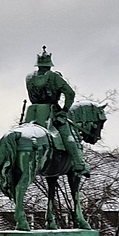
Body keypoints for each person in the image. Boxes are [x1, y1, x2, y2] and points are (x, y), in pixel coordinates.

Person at [24, 47, 89, 176]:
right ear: (49, 64)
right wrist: (64, 110)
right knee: (67, 135)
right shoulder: (54, 76)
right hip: (49, 112)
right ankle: (78, 163)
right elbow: (70, 93)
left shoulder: (29, 77)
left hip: (32, 112)